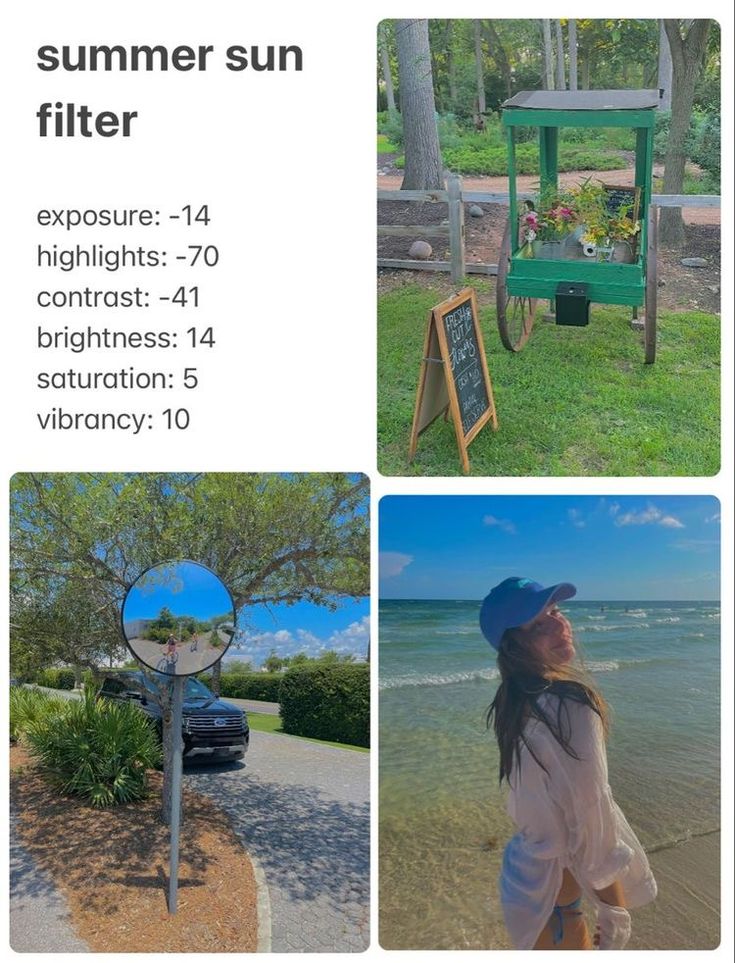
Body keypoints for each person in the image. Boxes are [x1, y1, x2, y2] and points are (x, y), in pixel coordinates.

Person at [480, 577, 656, 950]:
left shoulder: (511, 703)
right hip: (557, 908)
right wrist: (615, 914)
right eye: (539, 624)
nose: (560, 624)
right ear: (514, 647)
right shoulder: (570, 704)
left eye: (556, 612)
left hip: (526, 886)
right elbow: (592, 819)